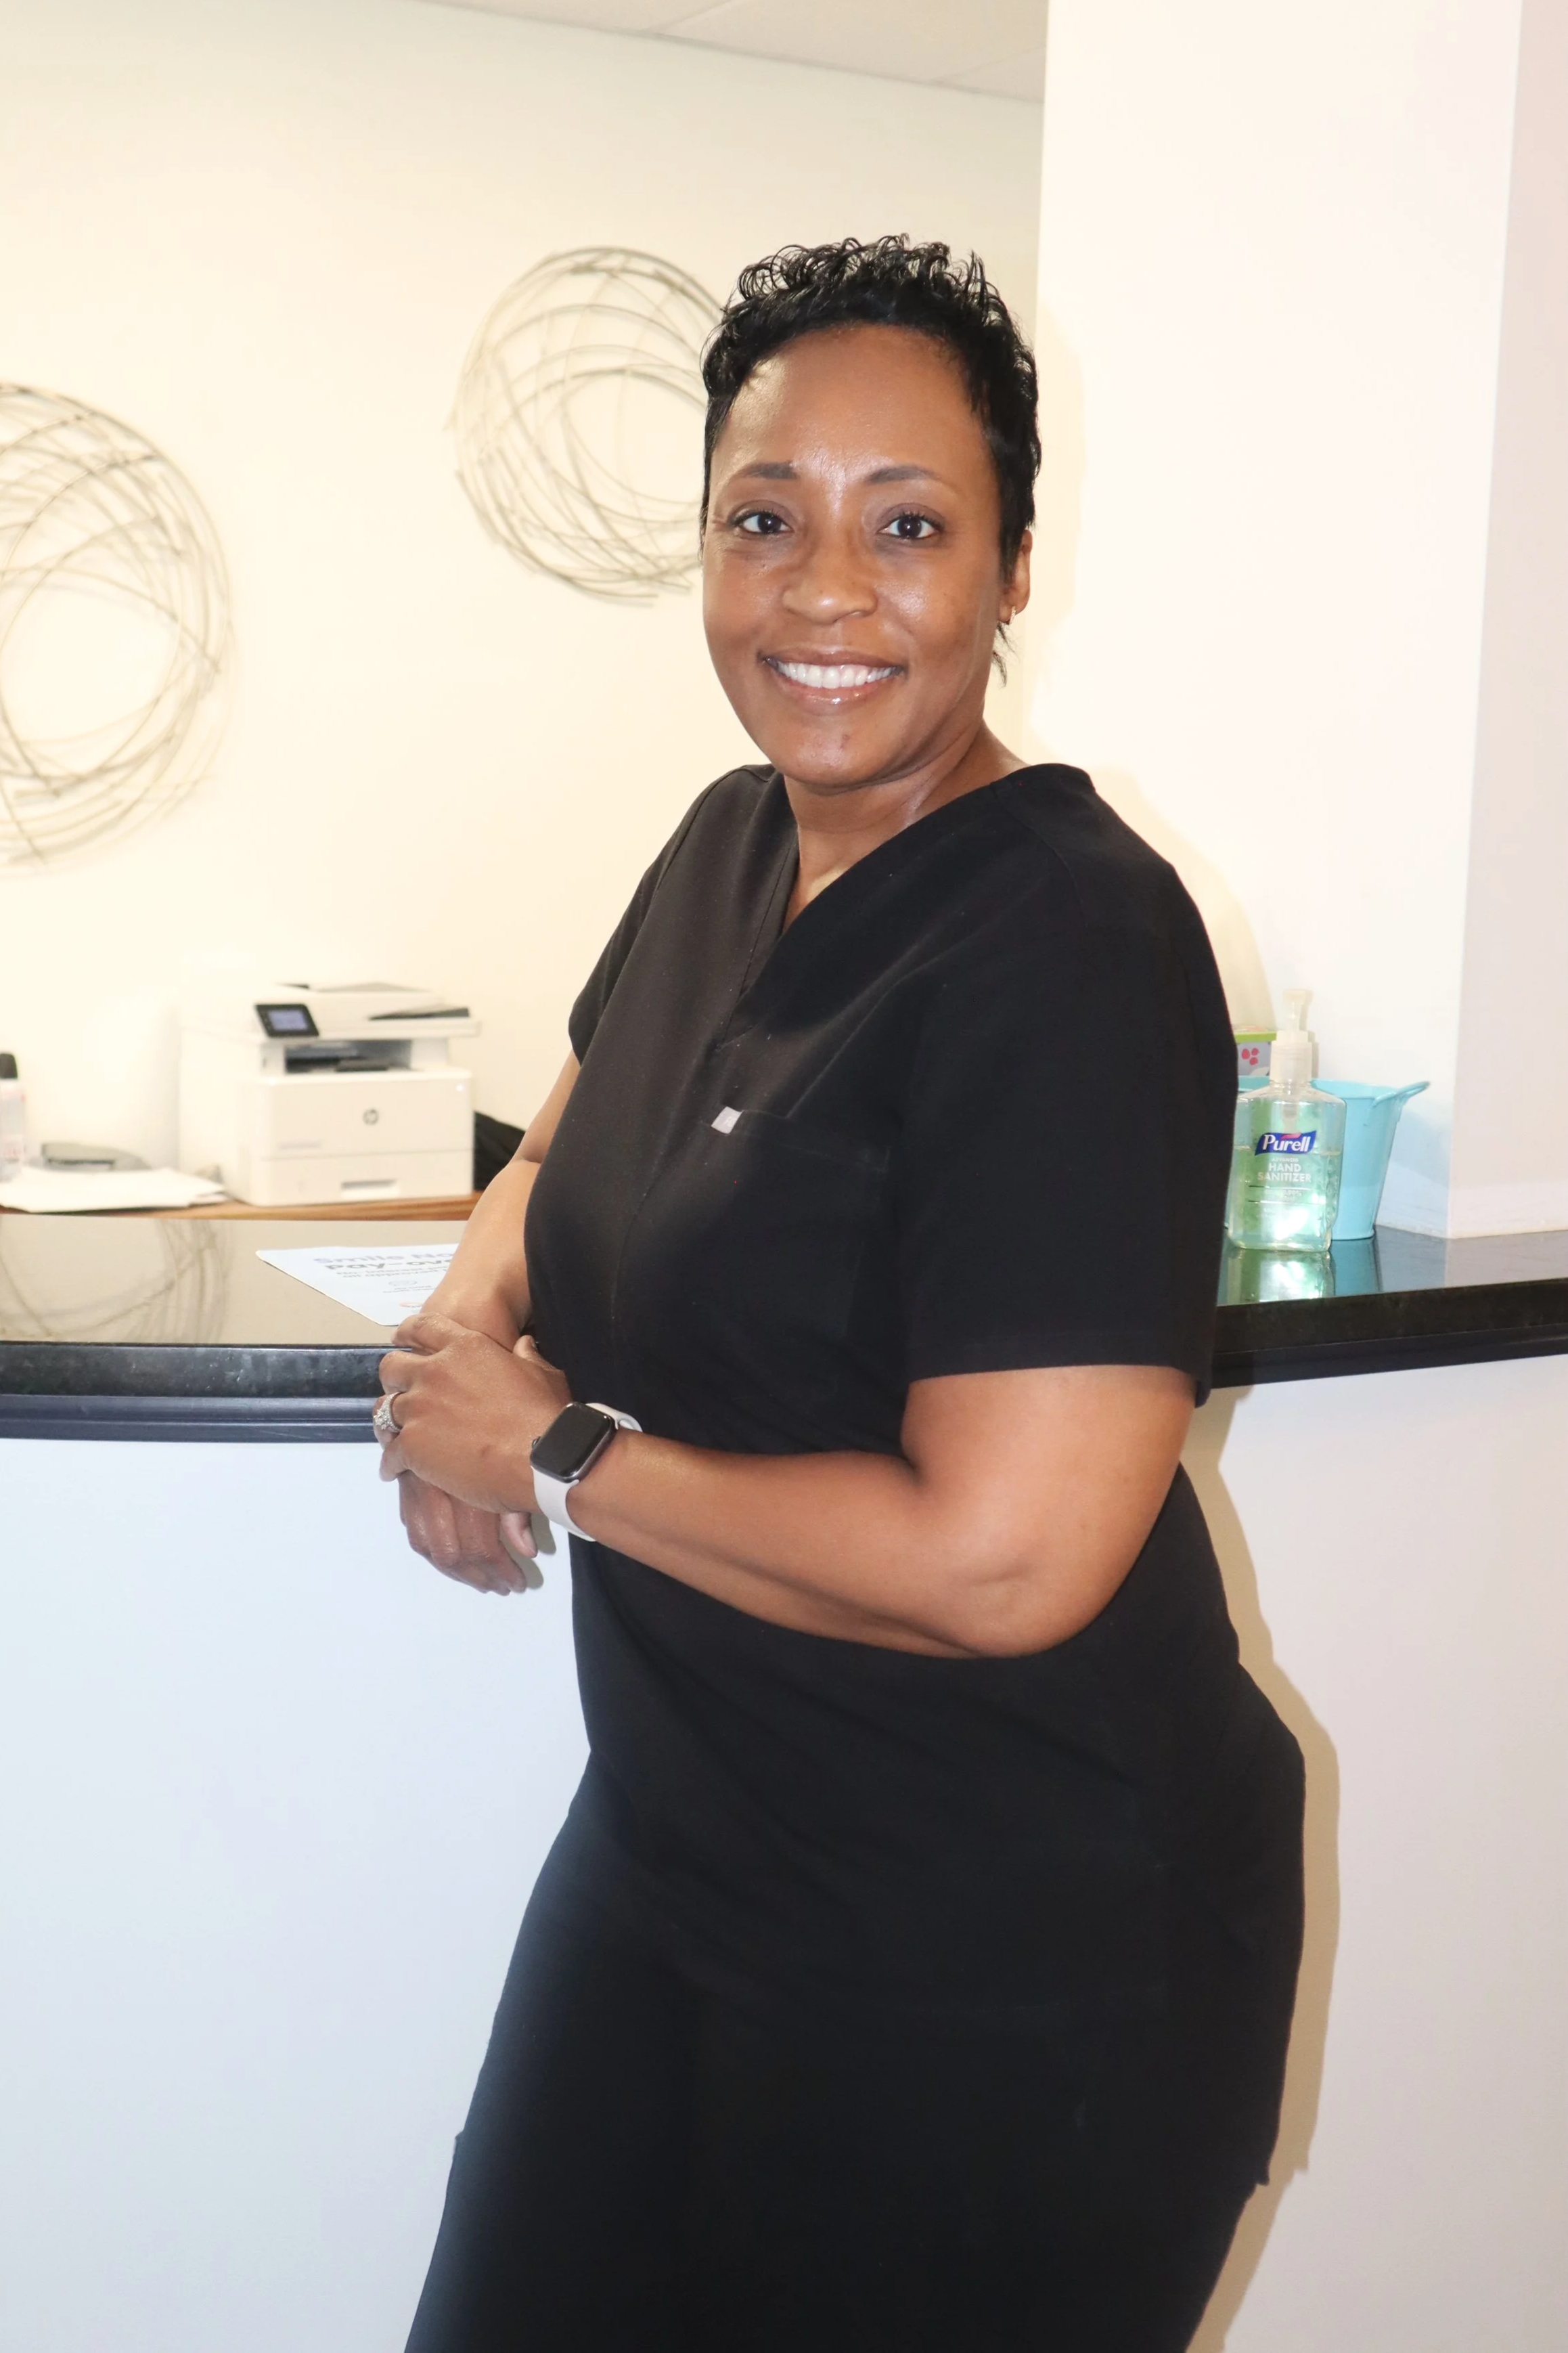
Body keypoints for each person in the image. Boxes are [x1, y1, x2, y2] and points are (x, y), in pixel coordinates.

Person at [376, 236, 1304, 2353]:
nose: (822, 591)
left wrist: (562, 1451)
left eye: (907, 527)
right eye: (762, 521)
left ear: (1009, 567)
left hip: (1016, 1953)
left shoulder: (1067, 942)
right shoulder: (725, 841)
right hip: (687, 1859)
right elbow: (564, 1141)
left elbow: (1004, 1561)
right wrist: (456, 1349)